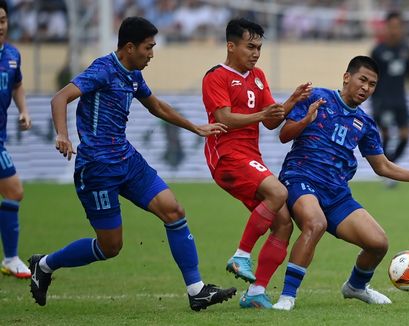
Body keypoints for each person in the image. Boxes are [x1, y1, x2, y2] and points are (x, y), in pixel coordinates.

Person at [28, 16, 236, 311]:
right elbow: (59, 98)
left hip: (126, 159)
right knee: (110, 246)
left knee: (174, 211)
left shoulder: (133, 75)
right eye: (148, 48)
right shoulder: (102, 70)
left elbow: (156, 106)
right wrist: (62, 134)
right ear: (129, 47)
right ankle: (45, 265)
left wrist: (196, 127)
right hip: (97, 168)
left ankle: (197, 290)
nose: (151, 54)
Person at [272, 56, 409, 311]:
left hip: (336, 193)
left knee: (378, 243)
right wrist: (305, 121)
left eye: (372, 84)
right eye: (362, 80)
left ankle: (356, 286)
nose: (366, 88)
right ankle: (287, 297)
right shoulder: (317, 98)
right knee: (315, 223)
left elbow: (383, 166)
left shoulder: (365, 124)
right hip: (301, 179)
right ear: (347, 77)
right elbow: (283, 135)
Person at [202, 17, 311, 308]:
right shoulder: (216, 76)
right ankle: (241, 255)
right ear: (230, 45)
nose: (255, 53)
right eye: (250, 47)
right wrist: (261, 116)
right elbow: (223, 118)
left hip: (251, 156)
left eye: (259, 48)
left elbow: (272, 122)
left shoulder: (258, 75)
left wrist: (290, 102)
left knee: (284, 225)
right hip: (227, 156)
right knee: (278, 193)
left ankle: (255, 293)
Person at [0, 0, 32, 279]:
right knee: (13, 191)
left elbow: (17, 84)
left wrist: (23, 111)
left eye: (2, 20)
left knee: (13, 191)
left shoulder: (12, 55)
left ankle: (10, 258)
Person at [370, 11, 409, 176]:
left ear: (402, 28)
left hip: (400, 99)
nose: (394, 30)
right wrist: (372, 100)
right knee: (385, 135)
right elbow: (371, 77)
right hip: (382, 99)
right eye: (391, 27)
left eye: (397, 27)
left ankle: (391, 165)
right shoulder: (377, 50)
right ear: (385, 28)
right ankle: (384, 170)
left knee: (405, 135)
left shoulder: (406, 48)